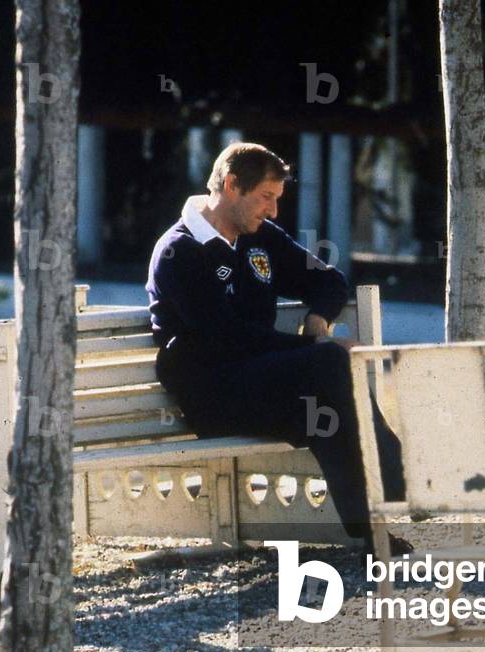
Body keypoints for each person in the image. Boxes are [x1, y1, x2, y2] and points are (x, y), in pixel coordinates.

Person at [145, 142, 410, 553]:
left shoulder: (259, 237)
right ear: (232, 185)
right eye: (266, 197)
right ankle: (404, 481)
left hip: (265, 384)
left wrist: (319, 318)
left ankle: (372, 531)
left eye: (276, 199)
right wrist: (314, 349)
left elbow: (329, 280)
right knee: (329, 365)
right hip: (213, 394)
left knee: (329, 413)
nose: (273, 211)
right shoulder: (179, 250)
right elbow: (225, 337)